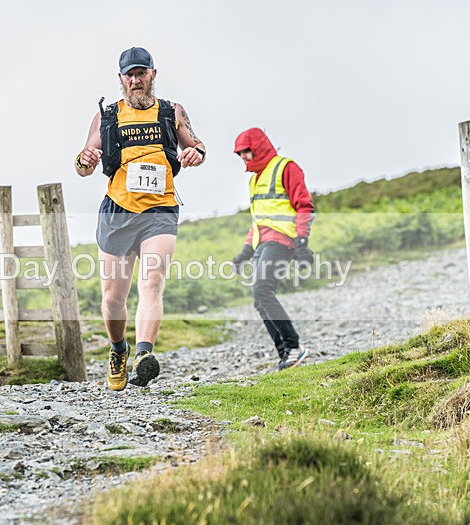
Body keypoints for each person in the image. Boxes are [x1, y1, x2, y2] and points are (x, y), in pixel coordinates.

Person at [75, 47, 206, 391]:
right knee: (113, 297)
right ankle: (119, 350)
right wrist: (84, 159)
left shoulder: (171, 111)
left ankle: (144, 356)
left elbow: (198, 146)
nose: (135, 80)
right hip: (118, 210)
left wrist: (195, 152)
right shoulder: (107, 115)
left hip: (159, 210)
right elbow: (83, 167)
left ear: (153, 74)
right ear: (120, 79)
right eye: (129, 75)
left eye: (141, 73)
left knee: (152, 282)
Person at [231, 128, 315, 371]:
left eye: (245, 152)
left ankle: (294, 347)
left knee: (262, 292)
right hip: (263, 243)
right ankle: (286, 356)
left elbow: (304, 206)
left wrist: (301, 242)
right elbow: (258, 220)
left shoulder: (286, 167)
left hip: (283, 241)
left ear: (257, 147)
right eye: (239, 155)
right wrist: (245, 252)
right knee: (260, 299)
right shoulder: (254, 180)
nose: (243, 158)